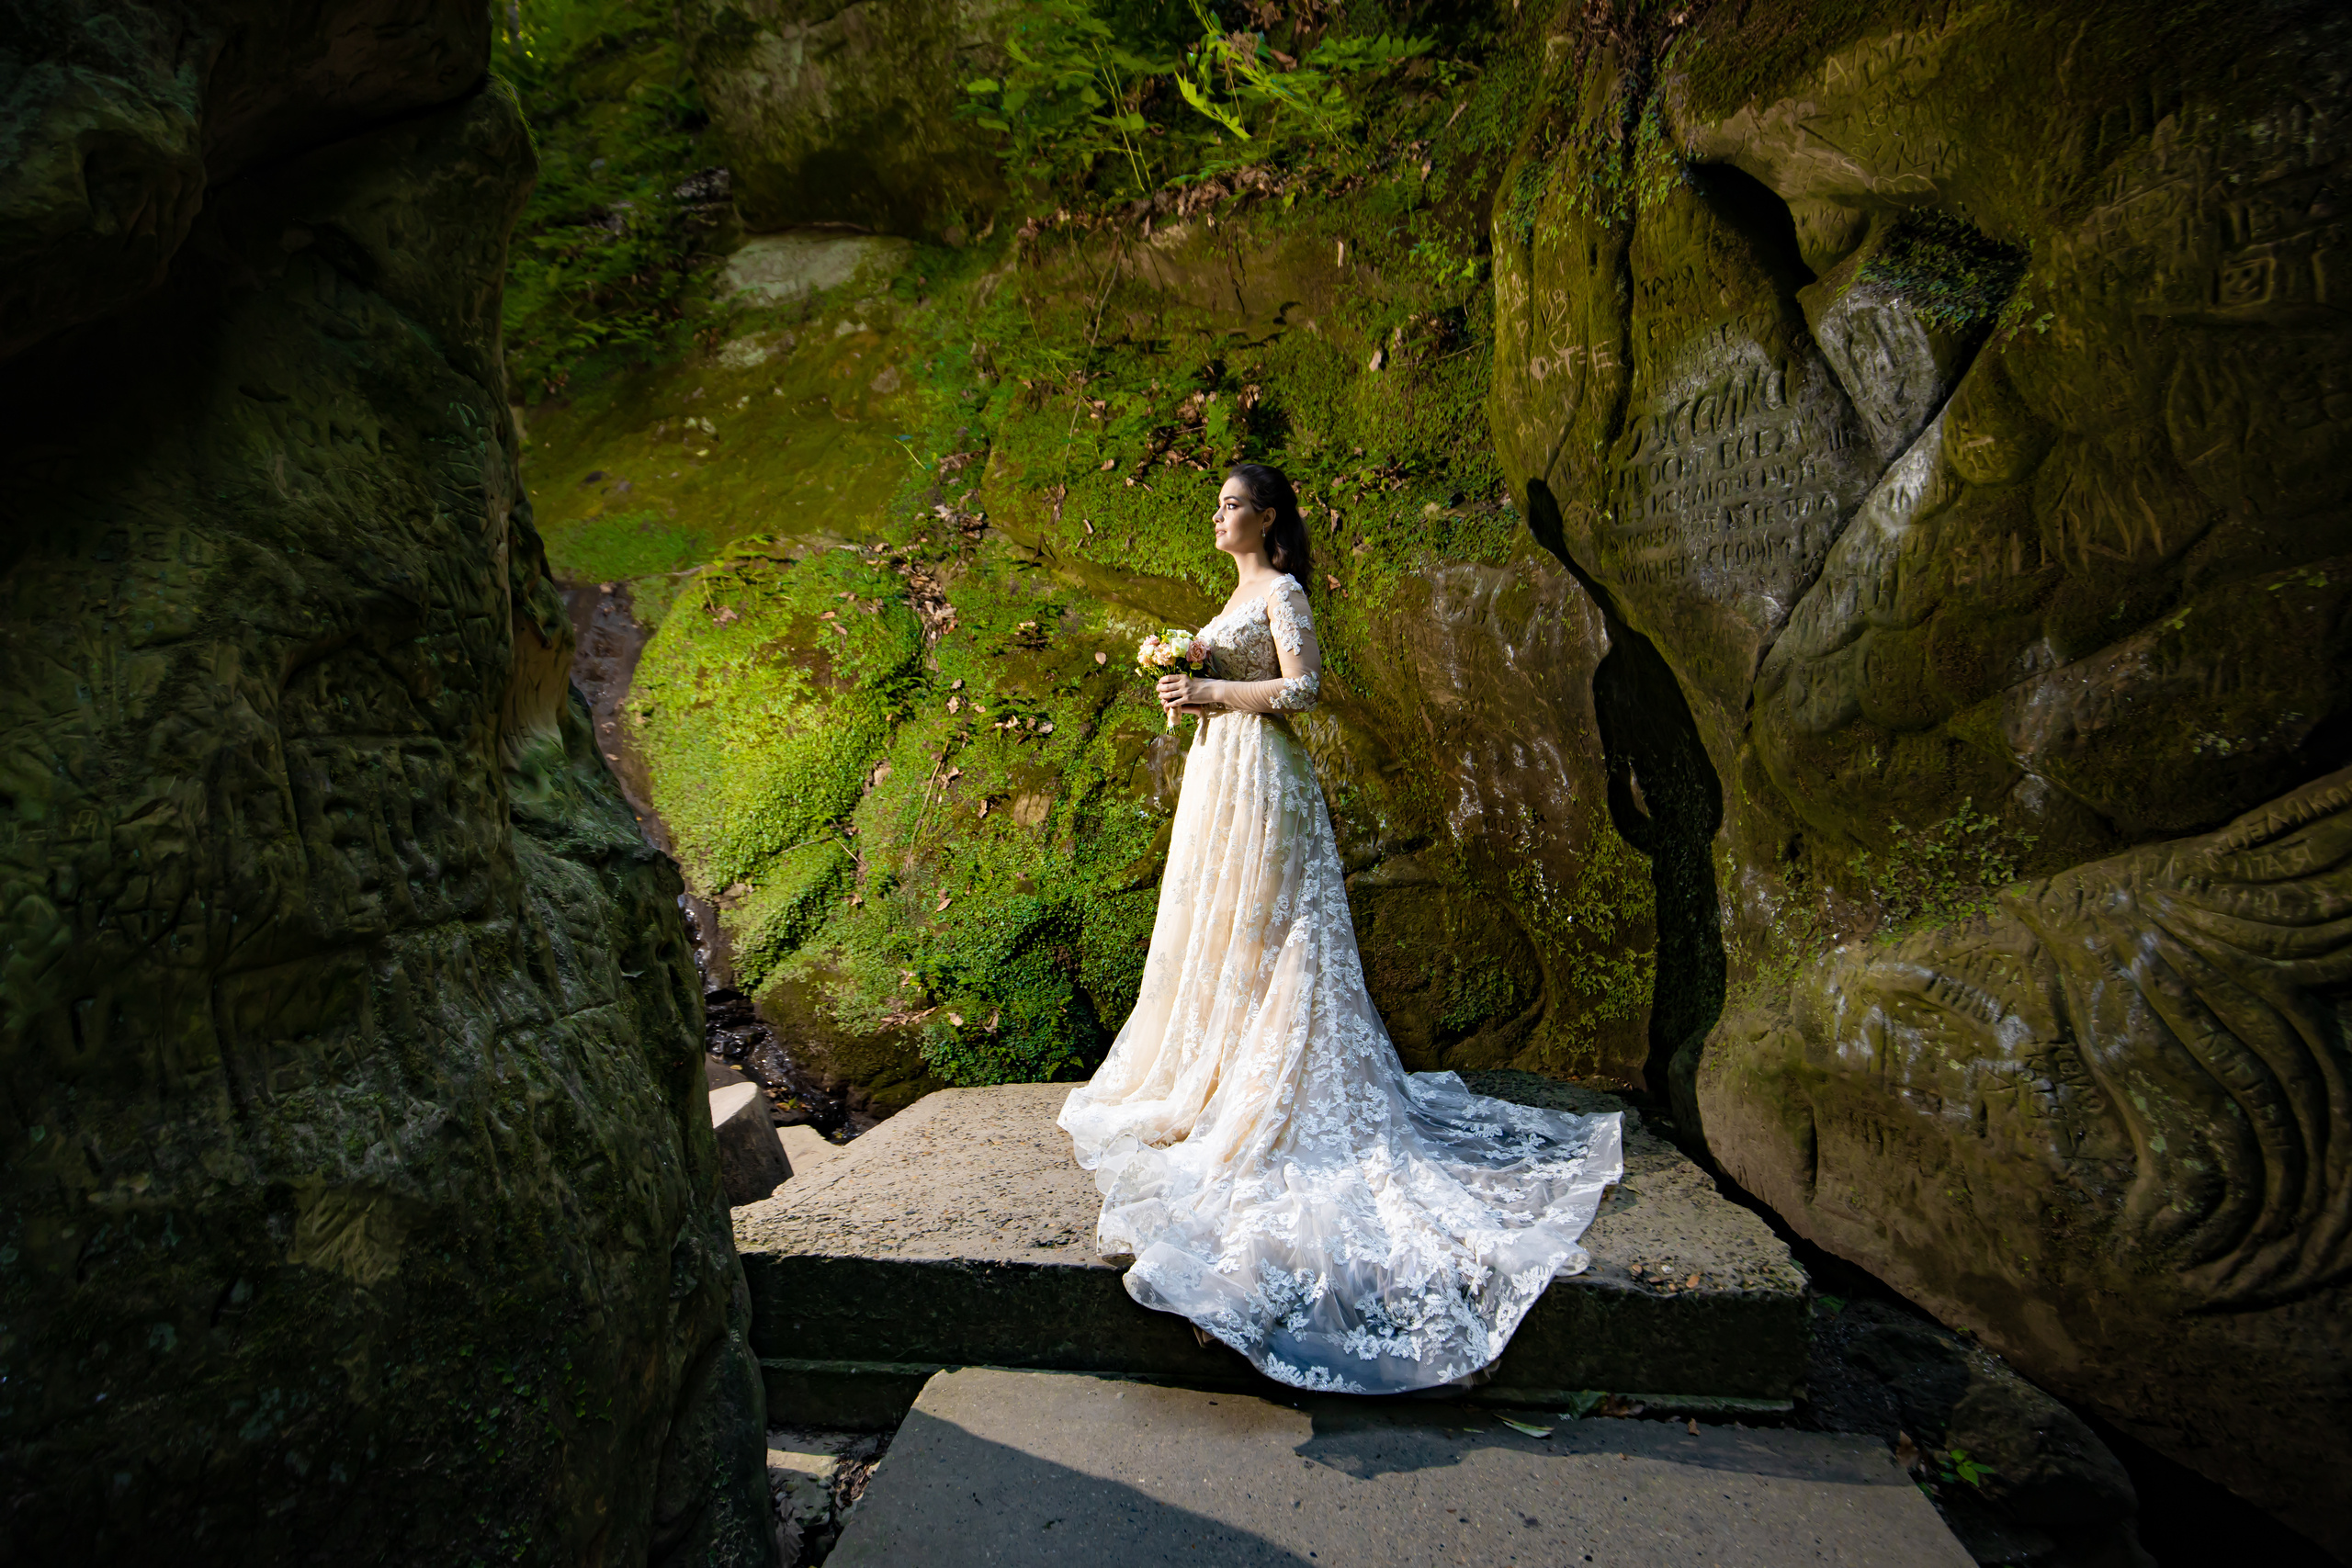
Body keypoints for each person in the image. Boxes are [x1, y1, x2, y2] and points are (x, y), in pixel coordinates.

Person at [1057, 462, 1624, 1393]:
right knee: (1225, 933)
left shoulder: (1280, 590)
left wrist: (1209, 693)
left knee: (1275, 938)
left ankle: (1275, 1082)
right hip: (1218, 779)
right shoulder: (1232, 592)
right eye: (1217, 506)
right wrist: (1183, 688)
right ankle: (1217, 1074)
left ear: (1268, 518)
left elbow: (1305, 689)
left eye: (1232, 505)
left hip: (1264, 778)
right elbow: (1234, 685)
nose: (1218, 517)